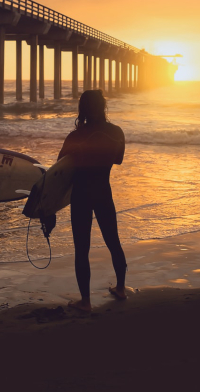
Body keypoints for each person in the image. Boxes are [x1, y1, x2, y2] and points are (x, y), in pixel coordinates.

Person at [57, 89, 127, 312]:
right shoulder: (117, 132)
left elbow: (59, 169)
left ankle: (85, 301)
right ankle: (121, 288)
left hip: (81, 194)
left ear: (82, 109)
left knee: (82, 248)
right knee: (113, 241)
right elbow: (118, 160)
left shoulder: (75, 136)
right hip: (103, 191)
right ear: (103, 106)